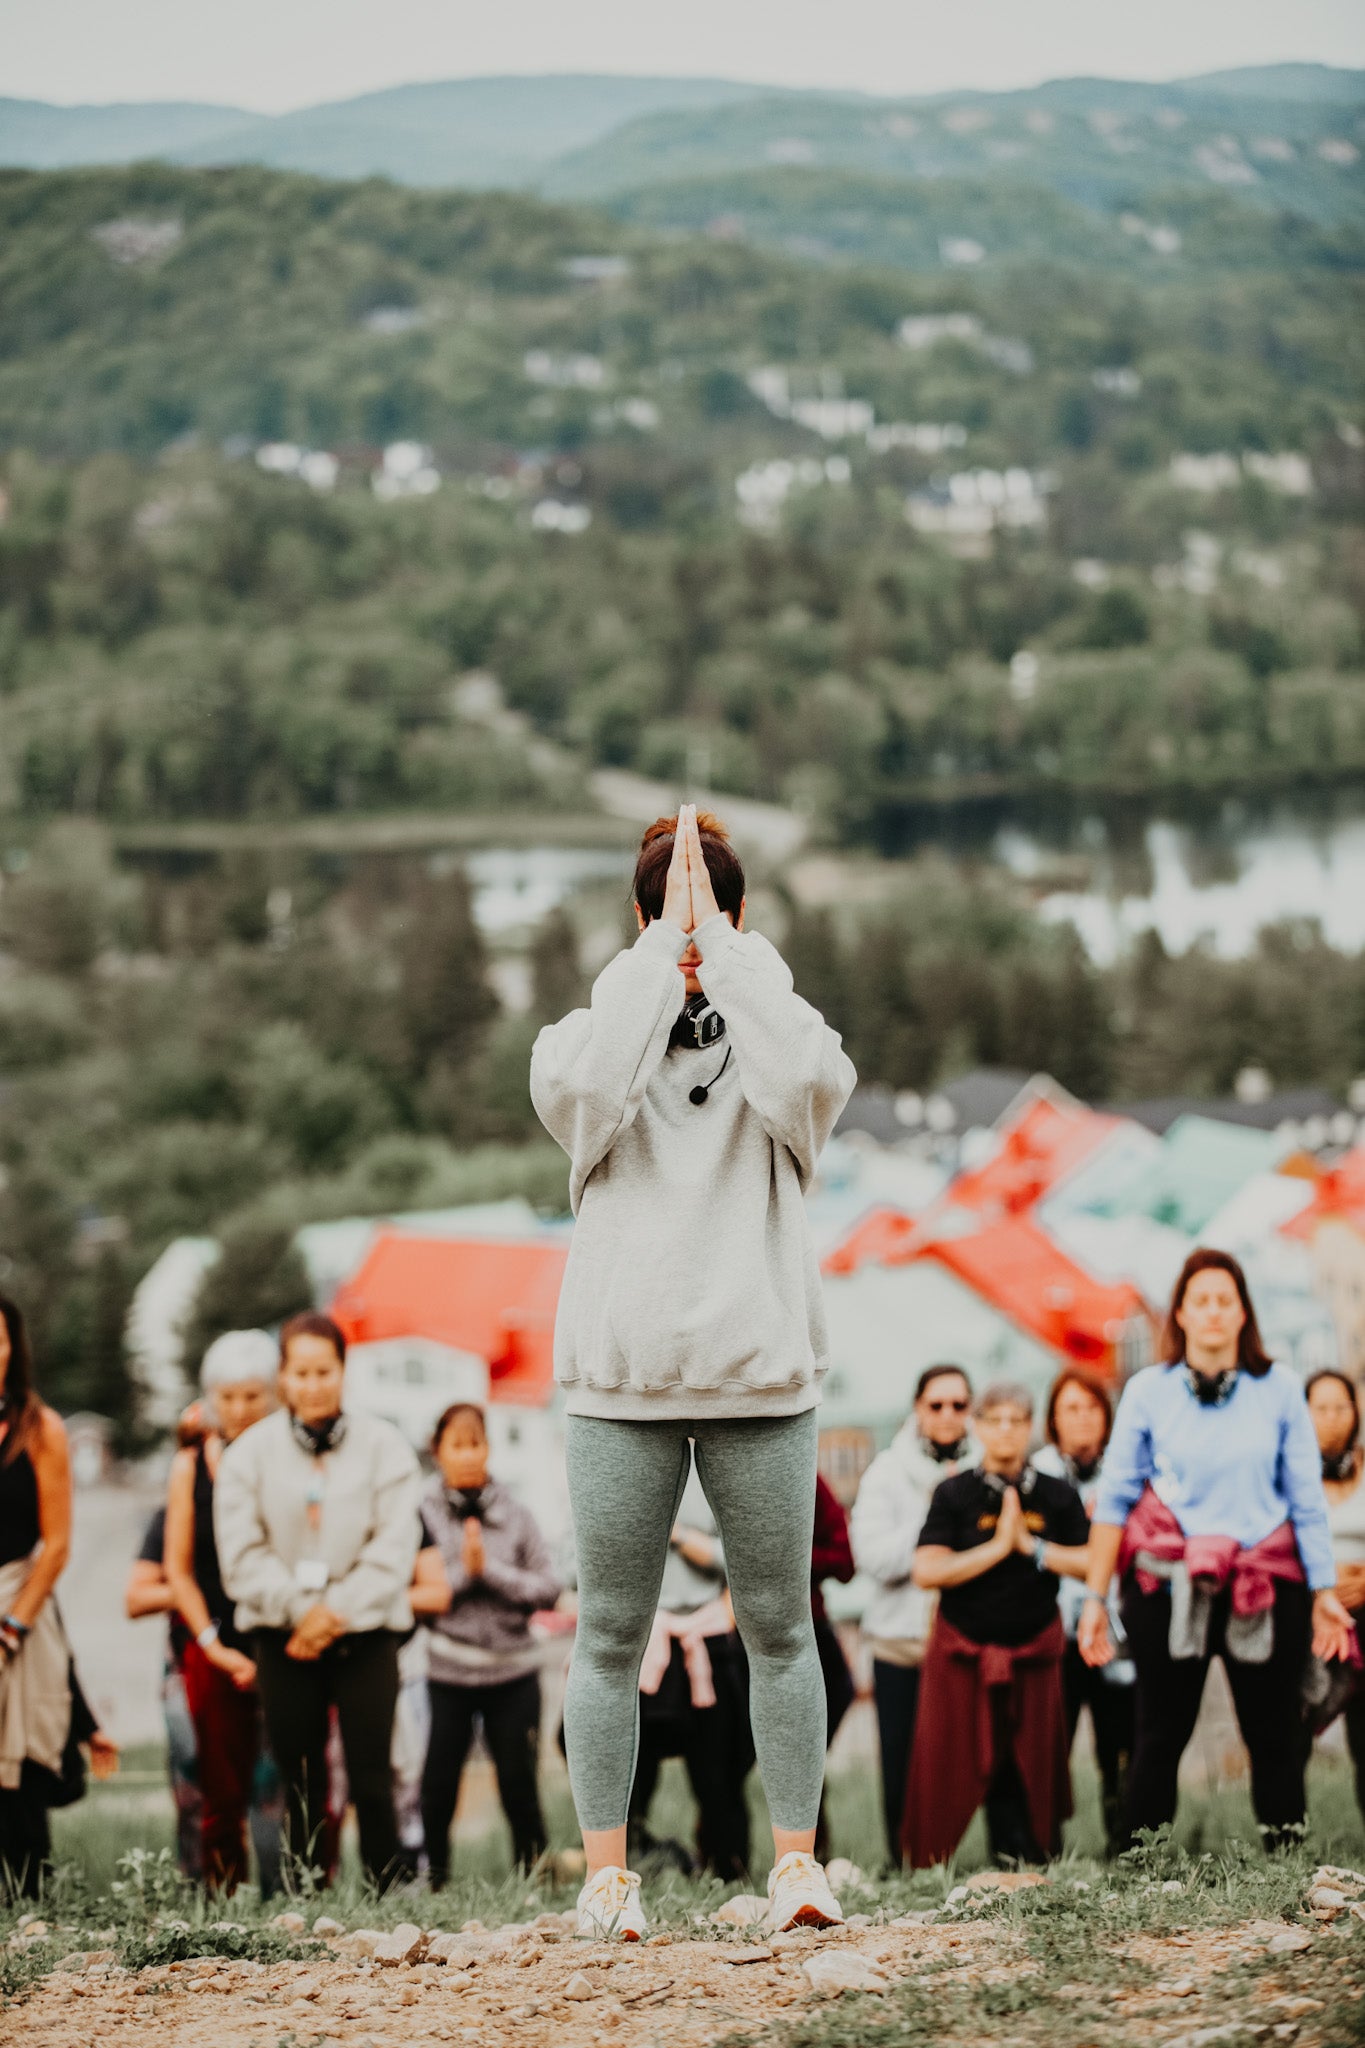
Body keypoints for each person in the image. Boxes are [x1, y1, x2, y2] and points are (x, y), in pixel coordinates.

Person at [530, 804, 856, 1939]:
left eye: (709, 908)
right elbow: (585, 1102)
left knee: (779, 1626)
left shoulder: (779, 1032)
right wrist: (650, 961)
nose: (686, 932)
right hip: (621, 1382)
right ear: (634, 922)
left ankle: (799, 1865)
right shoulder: (585, 1038)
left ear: (743, 918)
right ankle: (607, 1876)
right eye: (668, 911)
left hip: (760, 1374)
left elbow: (811, 1079)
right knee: (610, 1631)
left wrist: (724, 950)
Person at [1079, 1249, 1355, 1852]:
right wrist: (1095, 1596)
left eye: (1223, 1300)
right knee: (1160, 1731)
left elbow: (1306, 1498)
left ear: (1241, 1313)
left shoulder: (1278, 1387)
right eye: (1199, 1300)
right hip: (1167, 1581)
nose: (1211, 1312)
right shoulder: (1148, 1391)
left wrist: (1323, 1592)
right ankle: (1138, 1865)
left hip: (1263, 1578)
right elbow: (1116, 1500)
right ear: (1179, 1312)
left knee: (1274, 1732)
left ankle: (1284, 1858)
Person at [215, 1311, 420, 1889]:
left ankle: (388, 1889)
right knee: (299, 1774)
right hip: (284, 1637)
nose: (312, 1385)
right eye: (300, 1372)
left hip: (367, 1632)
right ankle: (306, 1891)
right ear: (282, 1376)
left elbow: (393, 1547)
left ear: (342, 1372)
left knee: (372, 1775)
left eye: (323, 1371)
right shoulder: (247, 1456)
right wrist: (299, 1612)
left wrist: (333, 1614)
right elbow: (242, 1554)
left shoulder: (387, 1449)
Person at [904, 1381, 1091, 1869]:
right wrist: (999, 1548)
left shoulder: (1057, 1494)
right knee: (947, 1760)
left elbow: (1095, 1562)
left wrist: (1035, 1549)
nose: (1006, 1430)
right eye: (995, 1419)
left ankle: (1030, 1857)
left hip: (1034, 1651)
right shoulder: (954, 1492)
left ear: (1030, 1428)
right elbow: (927, 1570)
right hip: (964, 1650)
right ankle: (925, 1864)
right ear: (978, 1427)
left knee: (1032, 1763)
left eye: (1016, 1420)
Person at [411, 1402, 560, 1884]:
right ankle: (435, 1881)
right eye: (457, 1445)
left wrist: (488, 1571)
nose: (468, 1454)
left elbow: (547, 1587)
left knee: (519, 1785)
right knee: (437, 1785)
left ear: (488, 1449)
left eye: (476, 1443)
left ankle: (534, 1878)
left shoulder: (516, 1514)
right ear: (438, 1452)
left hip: (513, 1672)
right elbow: (413, 1590)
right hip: (447, 1672)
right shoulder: (420, 1514)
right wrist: (462, 1574)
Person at [165, 1329, 278, 1893]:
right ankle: (223, 1898)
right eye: (227, 1396)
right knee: (220, 1784)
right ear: (212, 1398)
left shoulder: (289, 1457)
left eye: (252, 1395)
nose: (239, 1408)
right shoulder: (190, 1467)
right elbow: (177, 1569)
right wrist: (213, 1646)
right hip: (212, 1638)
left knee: (294, 1783)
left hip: (281, 1640)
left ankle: (302, 1896)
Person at [851, 1364, 978, 1867]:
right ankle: (904, 1862)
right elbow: (871, 1556)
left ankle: (966, 1859)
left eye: (959, 1405)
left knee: (965, 1758)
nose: (948, 1415)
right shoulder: (887, 1471)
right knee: (901, 1761)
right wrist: (936, 1527)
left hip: (966, 1641)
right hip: (900, 1642)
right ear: (918, 1410)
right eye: (937, 1405)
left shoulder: (988, 1466)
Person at [0, 1292, 84, 1895]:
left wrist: (10, 1628)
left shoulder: (40, 1427)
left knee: (22, 1768)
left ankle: (30, 1906)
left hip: (20, 1608)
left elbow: (56, 1546)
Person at [1034, 1368, 1135, 1856]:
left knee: (1120, 1742)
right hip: (1054, 1630)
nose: (1082, 1418)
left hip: (1116, 1626)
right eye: (1070, 1408)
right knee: (1052, 1743)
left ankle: (1127, 1844)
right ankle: (1045, 1852)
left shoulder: (1127, 1469)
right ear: (1053, 1418)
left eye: (1092, 1407)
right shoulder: (1035, 1474)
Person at [1304, 1370, 1365, 1820]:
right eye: (1320, 1408)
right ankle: (1287, 1841)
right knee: (1291, 1732)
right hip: (1309, 1616)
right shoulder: (1291, 1477)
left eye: (1341, 1407)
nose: (1331, 1419)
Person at [810, 1472, 856, 1864]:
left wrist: (784, 1560)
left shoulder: (809, 1483)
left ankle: (810, 1858)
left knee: (805, 1755)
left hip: (807, 1628)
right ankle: (725, 1867)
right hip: (727, 1633)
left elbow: (844, 1562)